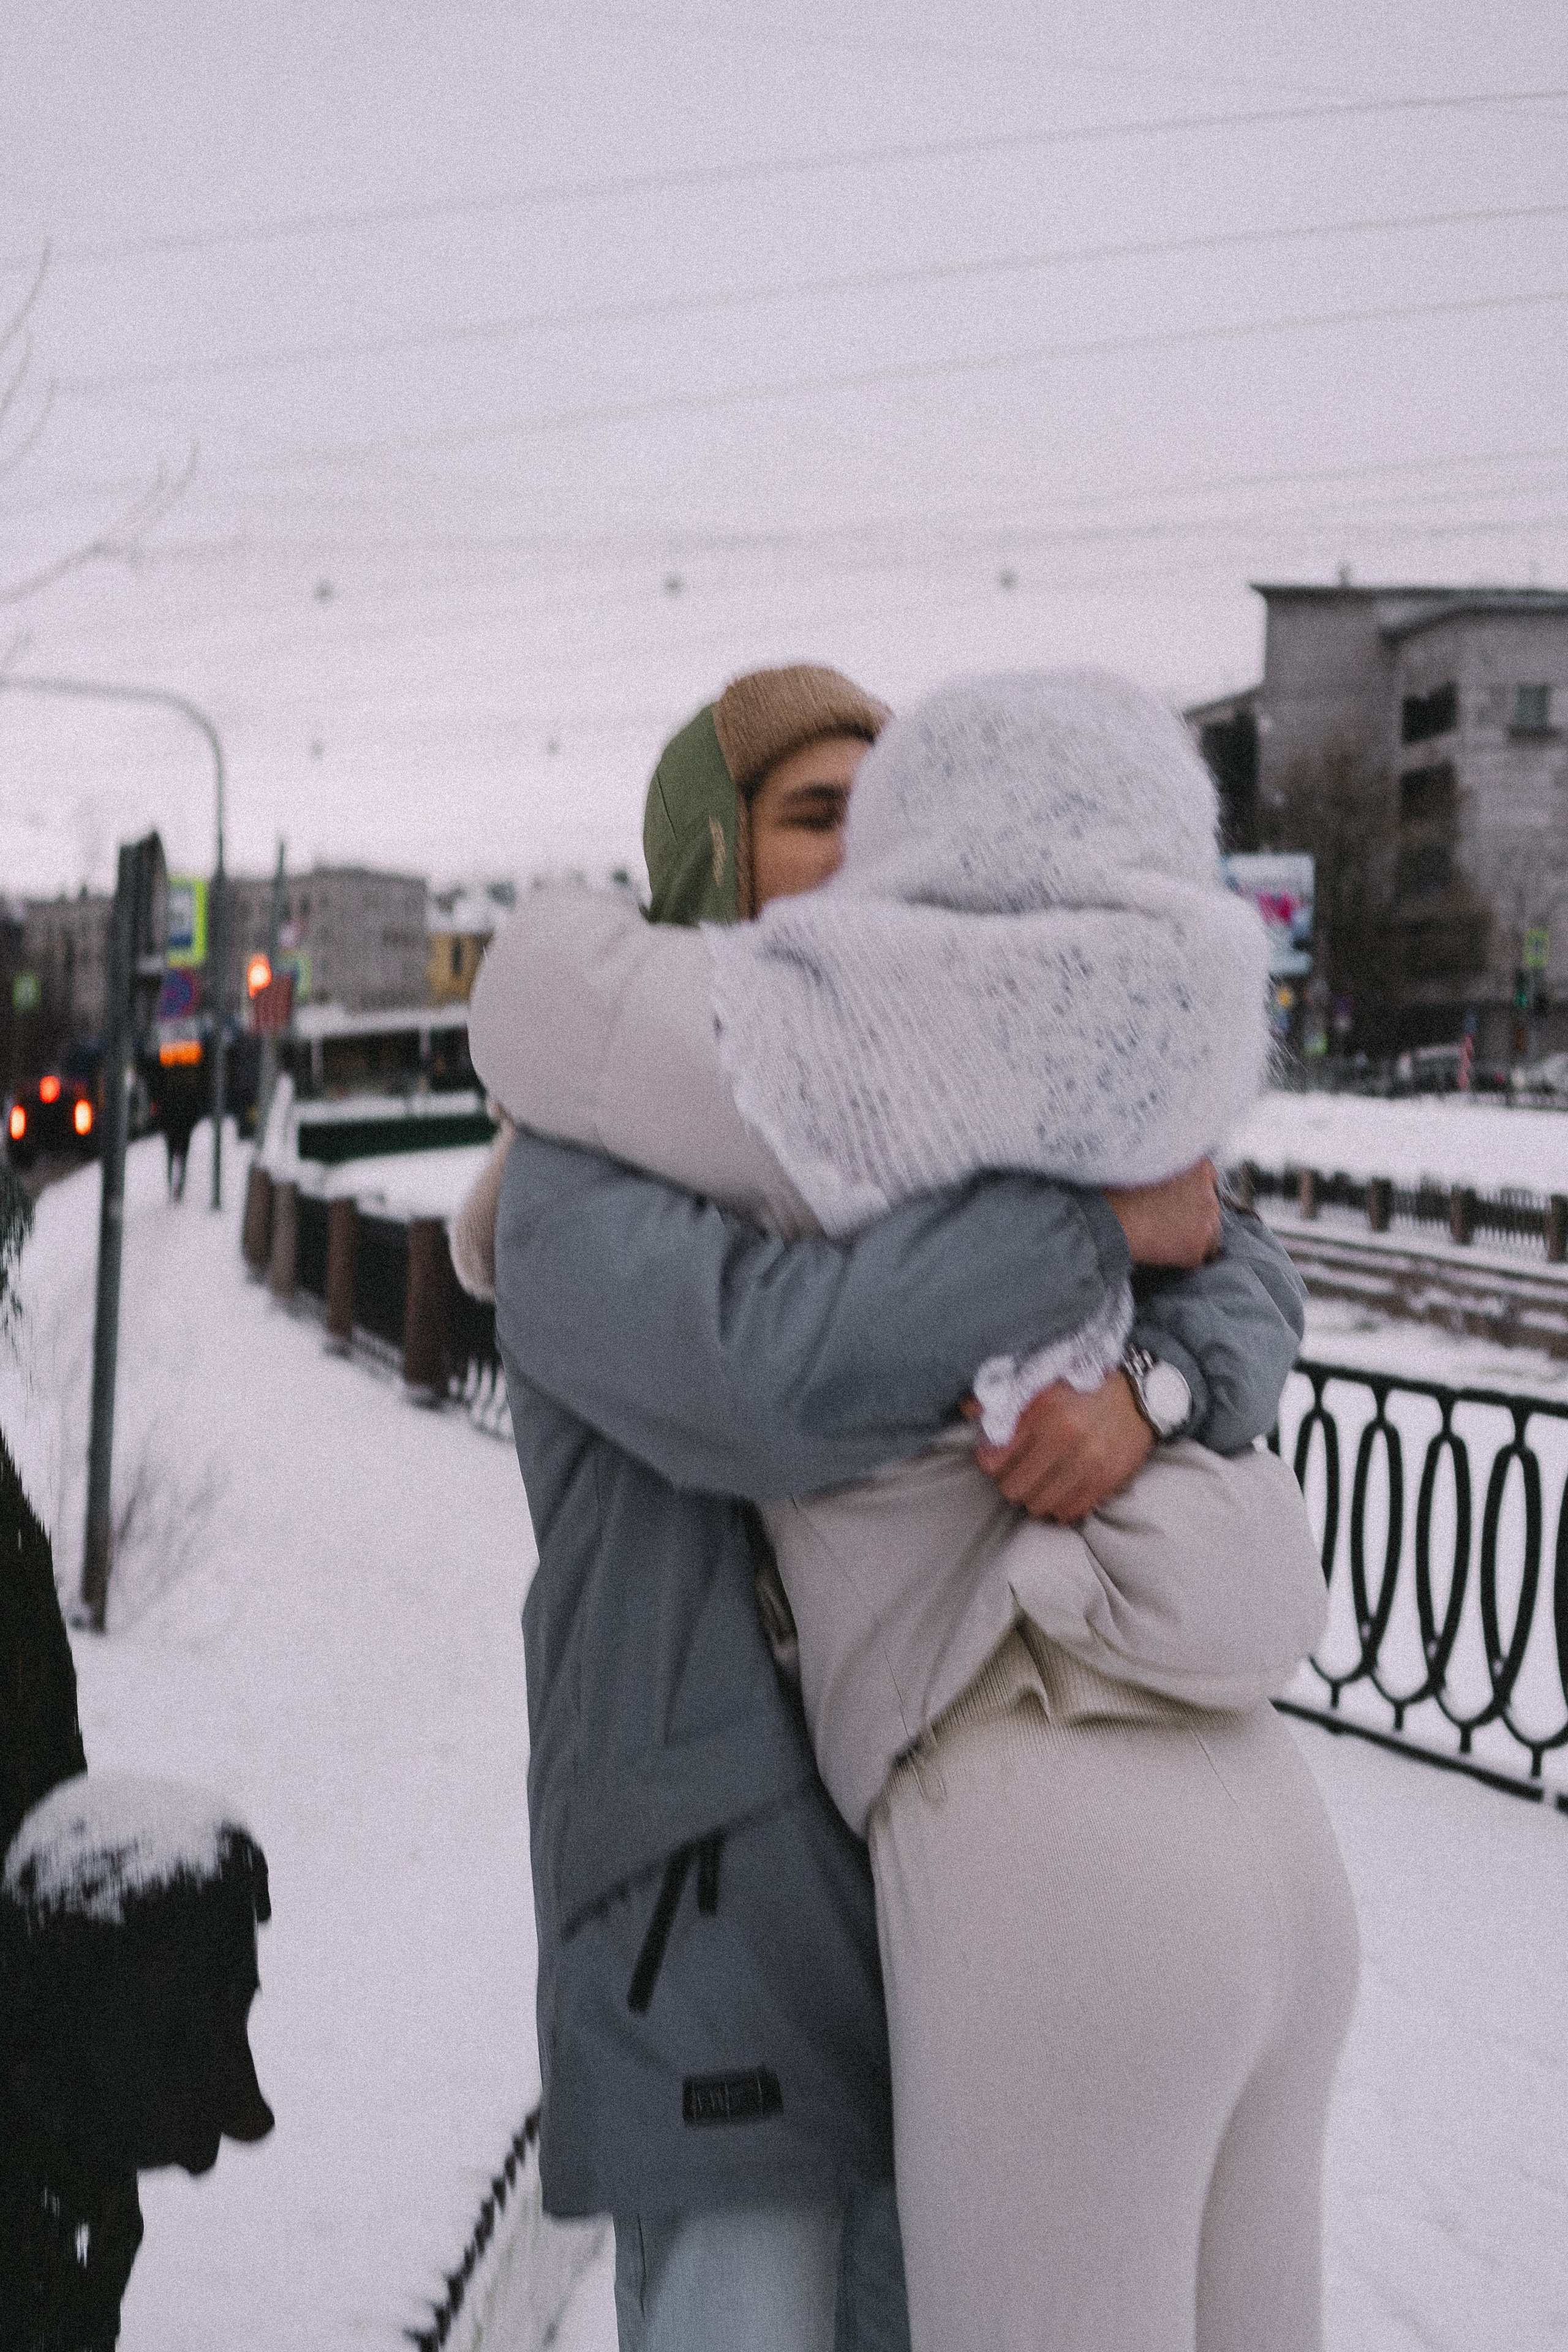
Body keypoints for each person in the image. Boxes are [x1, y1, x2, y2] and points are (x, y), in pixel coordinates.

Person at [466, 667, 1316, 2352]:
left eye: (889, 813)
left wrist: (1145, 1397)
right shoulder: (577, 1169)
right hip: (720, 1915)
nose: (868, 859)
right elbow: (769, 1384)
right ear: (713, 861)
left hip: (957, 1868)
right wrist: (1086, 1238)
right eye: (814, 817)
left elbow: (1237, 1263)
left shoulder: (925, 1121)